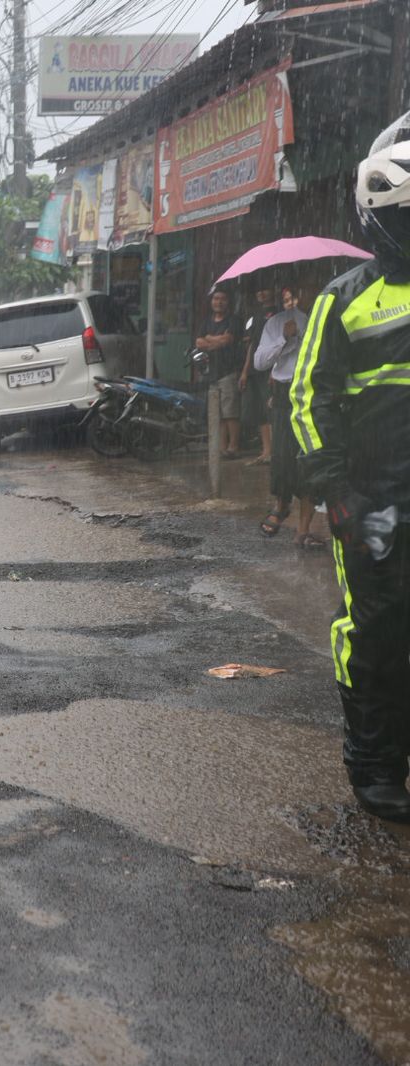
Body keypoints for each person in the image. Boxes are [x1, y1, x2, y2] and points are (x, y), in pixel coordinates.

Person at [289, 108, 410, 823]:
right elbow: (308, 399)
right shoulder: (345, 300)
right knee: (375, 630)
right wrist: (333, 488)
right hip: (372, 500)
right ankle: (373, 765)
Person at [254, 286, 317, 545]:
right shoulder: (274, 323)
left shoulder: (316, 319)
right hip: (283, 393)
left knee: (310, 458)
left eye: (296, 295)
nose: (291, 301)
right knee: (282, 454)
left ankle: (303, 530)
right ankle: (281, 504)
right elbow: (260, 362)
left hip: (311, 390)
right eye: (287, 296)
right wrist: (284, 338)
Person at [195, 288, 245, 459]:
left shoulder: (234, 321)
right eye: (216, 299)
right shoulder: (206, 321)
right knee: (218, 414)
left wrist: (209, 339)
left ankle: (234, 446)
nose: (219, 302)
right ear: (211, 301)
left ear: (228, 302)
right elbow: (199, 342)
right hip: (211, 373)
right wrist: (216, 341)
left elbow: (228, 340)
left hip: (229, 371)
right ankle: (222, 447)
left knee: (230, 412)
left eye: (222, 299)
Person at [240, 284, 281, 464]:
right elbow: (252, 345)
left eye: (264, 288)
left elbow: (282, 344)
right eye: (258, 289)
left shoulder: (279, 314)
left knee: (270, 408)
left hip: (271, 369)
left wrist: (275, 370)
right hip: (255, 368)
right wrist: (245, 371)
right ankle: (266, 451)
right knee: (259, 412)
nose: (261, 292)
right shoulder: (254, 316)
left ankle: (276, 451)